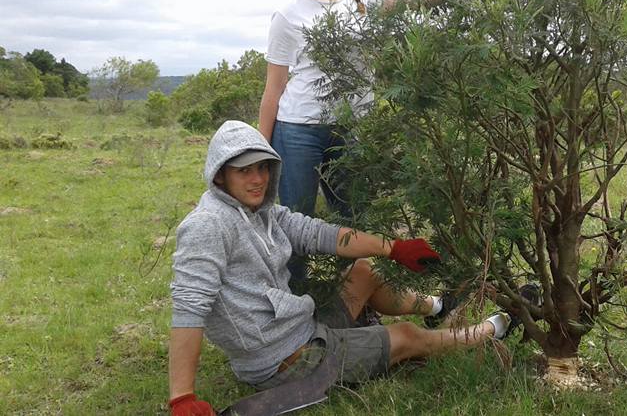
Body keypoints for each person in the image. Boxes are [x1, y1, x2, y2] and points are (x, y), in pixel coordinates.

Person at [168, 120, 510, 415]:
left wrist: (394, 248)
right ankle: (491, 330)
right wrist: (182, 397)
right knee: (406, 336)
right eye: (244, 170)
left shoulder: (263, 212)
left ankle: (437, 306)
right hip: (282, 360)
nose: (257, 179)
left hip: (302, 327)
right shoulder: (207, 226)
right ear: (220, 176)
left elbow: (321, 234)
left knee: (365, 270)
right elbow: (188, 308)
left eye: (262, 168)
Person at [258, 0, 370, 291]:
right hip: (298, 129)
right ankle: (296, 305)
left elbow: (416, 2)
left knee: (354, 217)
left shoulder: (364, 6)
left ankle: (357, 299)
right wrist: (261, 147)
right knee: (294, 220)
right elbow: (274, 87)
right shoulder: (289, 16)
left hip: (353, 129)